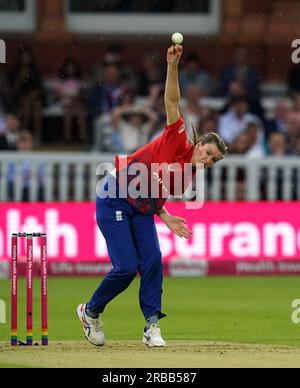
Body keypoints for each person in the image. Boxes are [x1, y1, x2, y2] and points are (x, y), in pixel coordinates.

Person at [77, 45, 228, 348]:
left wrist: (167, 215)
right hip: (114, 197)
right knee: (125, 267)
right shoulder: (177, 136)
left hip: (142, 209)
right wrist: (172, 66)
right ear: (199, 144)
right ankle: (90, 312)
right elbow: (172, 100)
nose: (207, 161)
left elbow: (155, 191)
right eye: (207, 153)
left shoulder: (190, 174)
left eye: (212, 161)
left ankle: (151, 326)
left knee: (152, 260)